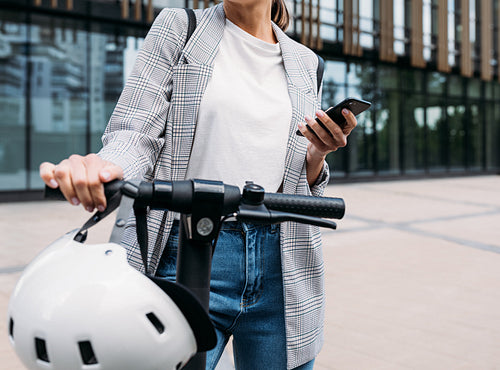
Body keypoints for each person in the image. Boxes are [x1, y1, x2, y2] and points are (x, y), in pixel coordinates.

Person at [40, 0, 358, 368]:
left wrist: (318, 153)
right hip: (187, 251)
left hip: (283, 262)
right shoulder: (180, 28)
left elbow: (296, 178)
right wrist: (104, 168)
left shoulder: (306, 63)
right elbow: (135, 133)